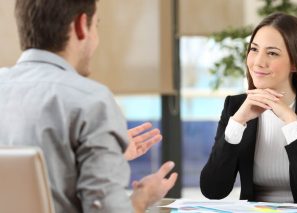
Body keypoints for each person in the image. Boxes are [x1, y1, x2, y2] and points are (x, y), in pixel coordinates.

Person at [0, 0, 177, 212]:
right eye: (97, 25)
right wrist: (144, 197)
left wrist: (106, 155)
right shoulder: (91, 101)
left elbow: (28, 181)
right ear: (81, 26)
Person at [200, 12, 297, 204]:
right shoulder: (236, 107)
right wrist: (237, 123)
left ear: (295, 63)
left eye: (272, 53)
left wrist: (291, 122)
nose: (258, 62)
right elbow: (213, 190)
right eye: (254, 49)